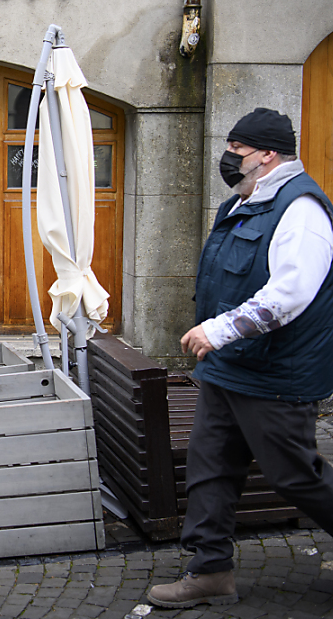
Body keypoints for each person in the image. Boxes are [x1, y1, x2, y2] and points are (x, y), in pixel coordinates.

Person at [147, 107, 333, 609]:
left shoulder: (302, 211)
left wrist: (220, 329)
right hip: (229, 367)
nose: (228, 158)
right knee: (210, 466)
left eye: (237, 149)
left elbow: (290, 293)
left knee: (294, 474)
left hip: (276, 373)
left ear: (267, 154)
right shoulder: (241, 203)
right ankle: (210, 571)